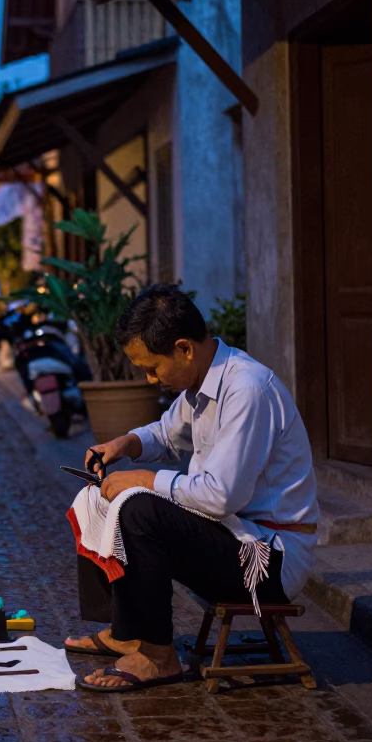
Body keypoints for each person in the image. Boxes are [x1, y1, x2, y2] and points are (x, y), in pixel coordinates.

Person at [67, 284, 319, 692]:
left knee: (139, 509)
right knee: (97, 495)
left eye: (153, 368)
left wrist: (145, 480)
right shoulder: (200, 384)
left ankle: (158, 656)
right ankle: (127, 631)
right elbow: (167, 434)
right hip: (232, 535)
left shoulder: (247, 389)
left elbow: (221, 497)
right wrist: (125, 444)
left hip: (268, 557)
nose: (150, 379)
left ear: (183, 348)